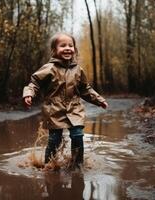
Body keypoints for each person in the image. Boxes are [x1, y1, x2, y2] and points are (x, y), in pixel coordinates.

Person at [23, 32, 108, 168]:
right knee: (55, 139)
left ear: (75, 49)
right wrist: (29, 94)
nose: (68, 48)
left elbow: (85, 89)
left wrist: (99, 100)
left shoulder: (78, 70)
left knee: (77, 135)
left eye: (71, 45)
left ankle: (77, 165)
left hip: (75, 109)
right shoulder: (49, 68)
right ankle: (48, 165)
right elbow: (34, 83)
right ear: (54, 50)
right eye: (63, 46)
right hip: (54, 110)